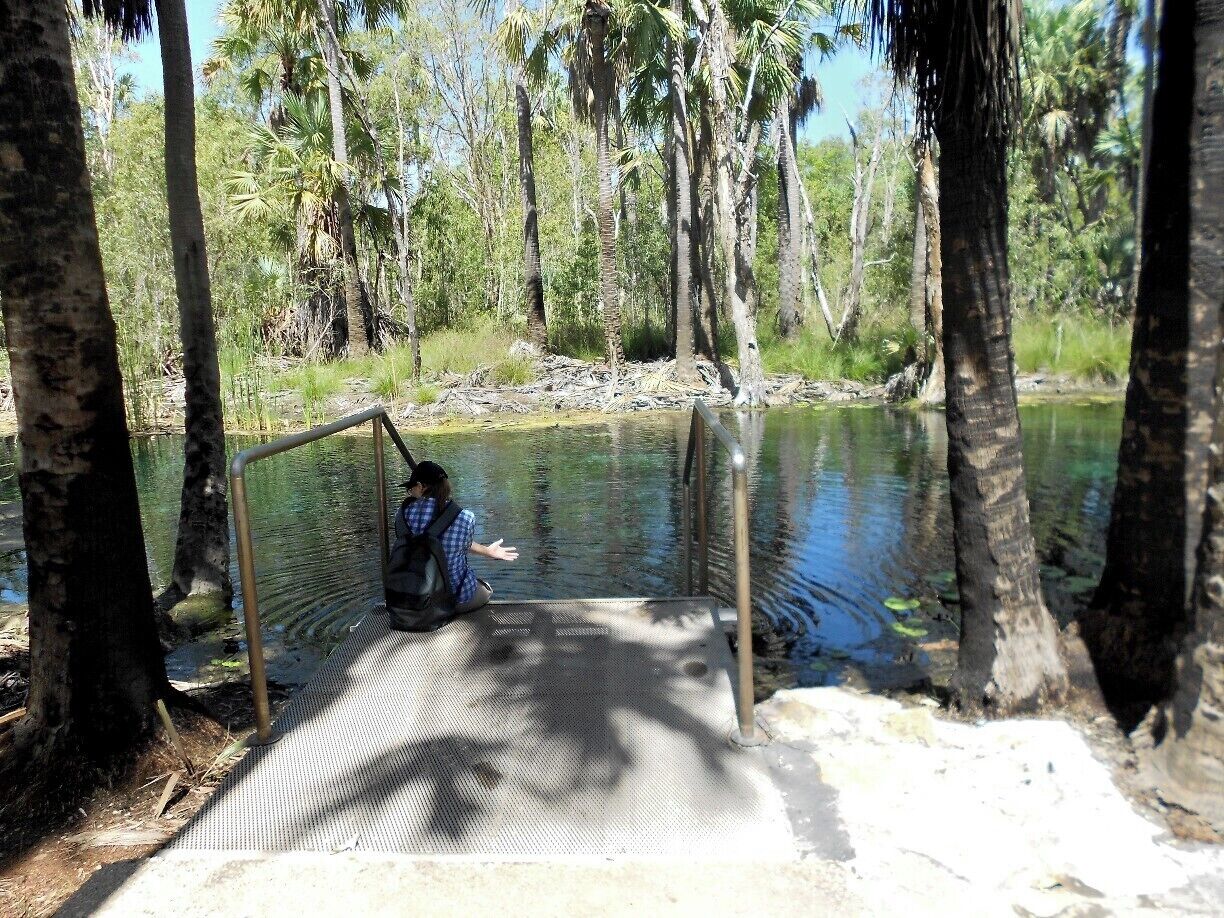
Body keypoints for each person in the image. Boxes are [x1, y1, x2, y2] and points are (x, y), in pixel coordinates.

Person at [399, 460, 518, 614]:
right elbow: (458, 543)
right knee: (486, 589)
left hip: (411, 600)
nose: (410, 492)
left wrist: (487, 551)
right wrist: (489, 552)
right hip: (454, 599)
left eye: (411, 488)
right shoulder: (465, 517)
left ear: (421, 486)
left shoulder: (401, 515)